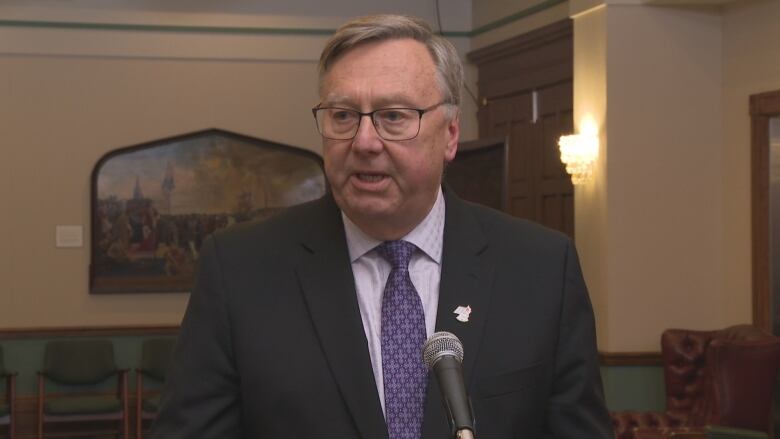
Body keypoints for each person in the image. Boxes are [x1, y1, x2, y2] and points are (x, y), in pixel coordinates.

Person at [151, 14, 613, 439]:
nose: (364, 141)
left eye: (394, 116)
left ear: (450, 134)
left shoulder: (541, 268)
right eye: (343, 116)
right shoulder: (240, 270)